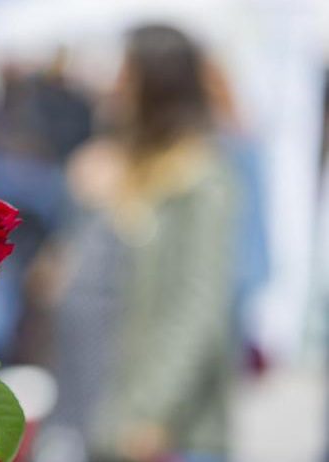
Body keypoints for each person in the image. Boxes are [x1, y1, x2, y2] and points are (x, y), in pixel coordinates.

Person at [51, 24, 237, 462]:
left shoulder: (198, 178)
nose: (113, 83)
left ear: (155, 83)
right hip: (90, 408)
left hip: (157, 430)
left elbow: (197, 308)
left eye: (125, 72)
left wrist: (151, 412)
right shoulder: (115, 163)